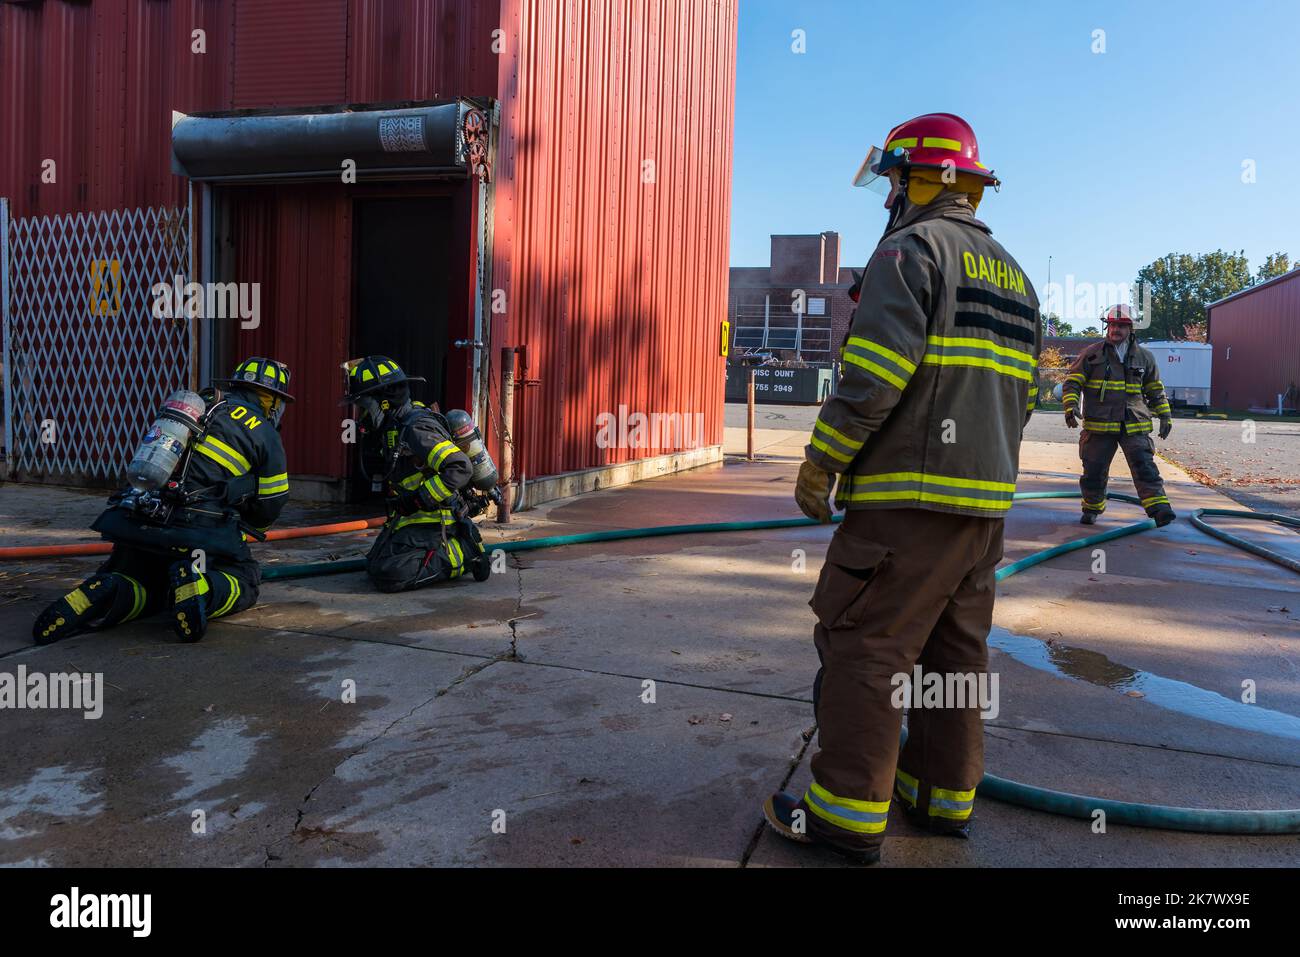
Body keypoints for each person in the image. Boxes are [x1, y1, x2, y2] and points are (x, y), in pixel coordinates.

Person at [762, 113, 1040, 863]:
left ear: (920, 178)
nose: (886, 196)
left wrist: (824, 459)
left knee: (866, 647)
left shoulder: (909, 251)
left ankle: (843, 819)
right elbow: (1023, 400)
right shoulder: (1016, 276)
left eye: (891, 179)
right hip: (984, 512)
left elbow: (875, 375)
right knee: (956, 656)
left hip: (906, 504)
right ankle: (942, 800)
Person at [33, 357, 293, 644]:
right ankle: (202, 588)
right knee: (245, 579)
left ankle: (110, 590)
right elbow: (272, 501)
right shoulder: (265, 433)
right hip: (197, 532)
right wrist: (242, 523)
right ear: (272, 400)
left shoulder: (199, 404)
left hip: (136, 516)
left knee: (147, 582)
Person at [342, 355, 491, 591]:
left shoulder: (416, 428)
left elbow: (460, 467)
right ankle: (452, 547)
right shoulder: (396, 426)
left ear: (384, 401)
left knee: (389, 576)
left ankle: (462, 553)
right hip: (411, 522)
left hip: (437, 522)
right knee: (373, 566)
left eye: (365, 406)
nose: (362, 415)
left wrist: (419, 499)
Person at [1062, 305, 1175, 525]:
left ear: (1131, 328)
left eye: (1121, 326)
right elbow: (1072, 382)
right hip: (1099, 425)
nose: (1115, 330)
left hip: (1134, 424)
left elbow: (1155, 389)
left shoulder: (1145, 357)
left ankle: (1159, 509)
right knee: (1093, 469)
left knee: (1144, 466)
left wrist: (1165, 416)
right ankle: (1092, 508)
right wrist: (1070, 406)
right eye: (1112, 325)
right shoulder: (1092, 354)